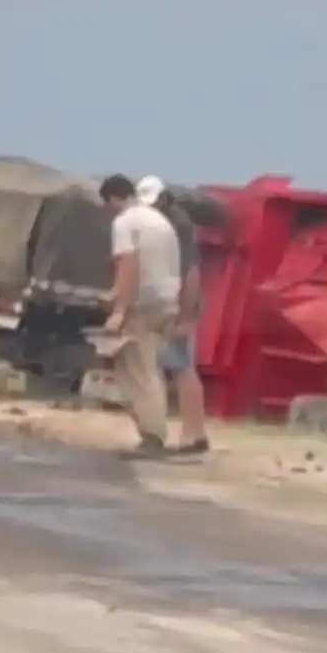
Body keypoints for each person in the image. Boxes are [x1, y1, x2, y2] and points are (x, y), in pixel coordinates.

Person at [98, 174, 181, 458]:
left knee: (136, 372)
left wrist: (119, 309)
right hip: (166, 303)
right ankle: (154, 432)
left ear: (112, 199)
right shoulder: (160, 221)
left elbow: (129, 265)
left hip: (141, 305)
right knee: (150, 370)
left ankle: (152, 437)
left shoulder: (124, 222)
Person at [135, 175, 209, 454]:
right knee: (174, 368)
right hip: (166, 302)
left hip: (177, 306)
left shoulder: (178, 226)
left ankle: (193, 434)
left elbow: (190, 273)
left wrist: (185, 317)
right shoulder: (160, 223)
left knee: (181, 368)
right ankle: (191, 433)